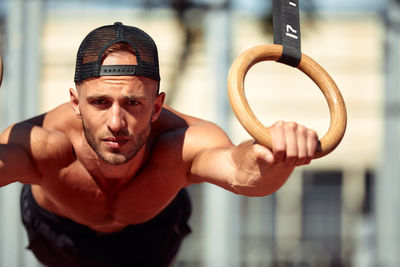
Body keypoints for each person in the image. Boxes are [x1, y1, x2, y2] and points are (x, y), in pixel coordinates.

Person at [0, 22, 318, 267]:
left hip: (150, 239)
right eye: (99, 102)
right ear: (75, 103)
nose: (115, 122)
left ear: (156, 106)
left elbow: (242, 172)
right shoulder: (44, 143)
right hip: (60, 238)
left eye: (133, 103)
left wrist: (271, 154)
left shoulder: (181, 143)